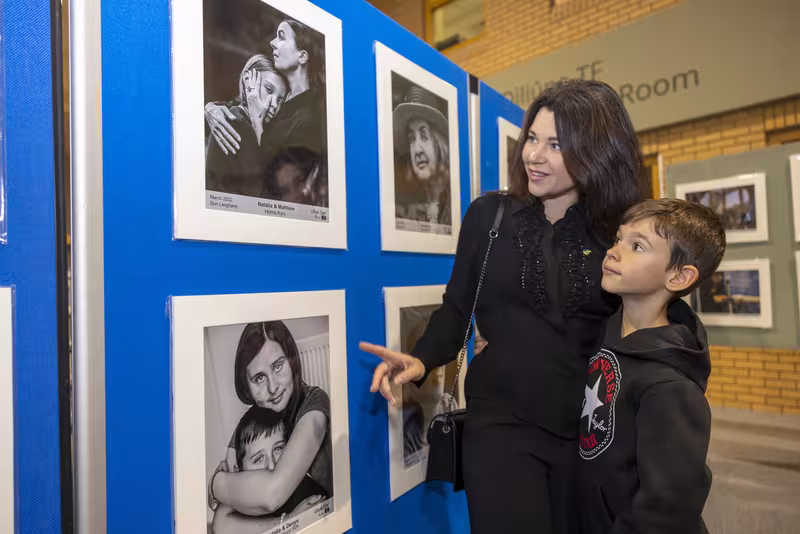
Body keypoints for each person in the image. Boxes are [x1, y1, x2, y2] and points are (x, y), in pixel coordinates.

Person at [361, 79, 651, 534]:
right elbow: (457, 309)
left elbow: (649, 320)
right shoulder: (488, 215)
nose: (533, 155)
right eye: (532, 138)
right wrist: (420, 358)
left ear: (596, 151)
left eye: (555, 145)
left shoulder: (620, 233)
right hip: (500, 421)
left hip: (591, 431)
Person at [577, 198, 725, 533]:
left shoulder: (670, 388)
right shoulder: (607, 332)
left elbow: (668, 507)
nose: (613, 251)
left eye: (637, 246)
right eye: (618, 239)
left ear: (678, 276)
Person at [209, 321, 332, 517]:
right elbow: (224, 521)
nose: (273, 387)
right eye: (259, 378)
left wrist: (215, 484)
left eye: (277, 366)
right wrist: (285, 523)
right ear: (246, 385)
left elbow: (270, 494)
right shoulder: (251, 422)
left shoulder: (315, 403)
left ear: (291, 361)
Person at [205, 18, 327, 203]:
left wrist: (256, 122)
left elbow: (277, 188)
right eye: (269, 91)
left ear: (302, 56)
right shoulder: (283, 98)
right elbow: (242, 105)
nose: (272, 42)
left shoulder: (308, 121)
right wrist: (212, 108)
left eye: (281, 37)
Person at [211, 406, 327, 534]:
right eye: (259, 458)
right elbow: (220, 526)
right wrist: (289, 521)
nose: (271, 465)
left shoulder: (310, 494)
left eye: (278, 449)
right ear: (239, 471)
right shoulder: (241, 500)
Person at [205, 55, 287, 197]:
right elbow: (257, 194)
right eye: (268, 90)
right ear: (248, 80)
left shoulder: (265, 132)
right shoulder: (237, 125)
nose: (274, 104)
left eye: (280, 99)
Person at [393, 85, 451, 228]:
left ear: (439, 142)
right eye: (412, 139)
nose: (417, 150)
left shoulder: (454, 201)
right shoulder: (409, 201)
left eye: (424, 136)